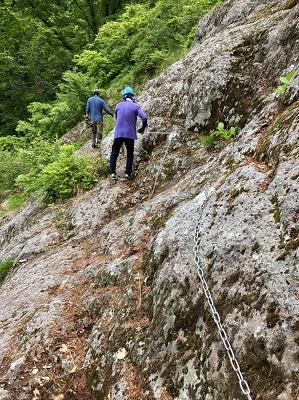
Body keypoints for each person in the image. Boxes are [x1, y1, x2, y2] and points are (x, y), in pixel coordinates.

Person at [109, 87, 147, 180]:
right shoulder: (136, 106)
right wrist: (142, 128)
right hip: (130, 134)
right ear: (132, 96)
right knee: (130, 154)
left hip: (118, 133)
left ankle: (112, 174)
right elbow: (144, 117)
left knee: (114, 153)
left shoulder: (118, 106)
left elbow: (117, 119)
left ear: (124, 96)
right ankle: (127, 174)